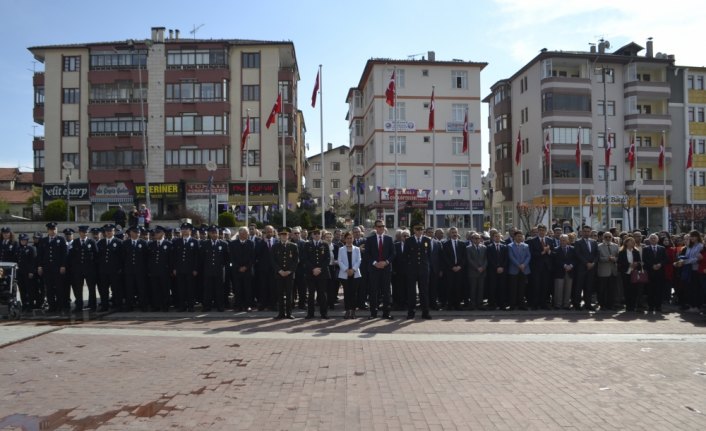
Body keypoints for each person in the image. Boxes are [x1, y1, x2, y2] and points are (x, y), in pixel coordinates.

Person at [364, 220, 395, 319]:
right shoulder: (370, 240)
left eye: (383, 226)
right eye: (379, 226)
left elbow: (393, 253)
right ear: (375, 228)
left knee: (386, 292)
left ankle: (386, 313)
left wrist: (386, 262)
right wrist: (375, 263)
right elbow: (367, 255)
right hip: (374, 269)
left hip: (386, 269)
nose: (381, 228)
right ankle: (373, 313)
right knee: (373, 291)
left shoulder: (389, 239)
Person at [37, 222, 68, 313]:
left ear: (57, 230)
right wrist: (40, 266)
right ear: (48, 231)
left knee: (59, 288)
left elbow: (64, 254)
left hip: (58, 268)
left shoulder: (61, 240)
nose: (53, 231)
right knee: (49, 288)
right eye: (51, 229)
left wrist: (63, 265)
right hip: (47, 269)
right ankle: (52, 306)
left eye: (54, 229)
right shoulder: (43, 240)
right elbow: (40, 255)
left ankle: (60, 306)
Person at [403, 224, 432, 320]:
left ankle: (425, 312)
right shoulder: (409, 240)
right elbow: (405, 256)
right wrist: (408, 268)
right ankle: (411, 312)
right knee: (411, 292)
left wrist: (427, 267)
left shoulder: (427, 240)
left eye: (421, 229)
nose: (419, 231)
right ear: (414, 230)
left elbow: (429, 255)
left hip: (423, 270)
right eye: (417, 229)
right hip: (412, 270)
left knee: (424, 292)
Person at [172, 222, 200, 312]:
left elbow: (197, 257)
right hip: (180, 270)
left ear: (190, 231)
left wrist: (195, 269)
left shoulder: (195, 242)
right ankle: (182, 306)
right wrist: (175, 268)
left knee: (190, 289)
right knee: (181, 289)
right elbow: (174, 256)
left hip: (190, 270)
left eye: (186, 229)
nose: (184, 231)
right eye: (183, 229)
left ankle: (191, 306)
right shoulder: (177, 242)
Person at [69, 226, 98, 312]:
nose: (84, 233)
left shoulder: (91, 242)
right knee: (78, 288)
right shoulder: (75, 242)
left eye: (85, 232)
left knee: (91, 288)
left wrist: (93, 268)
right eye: (82, 232)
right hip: (78, 270)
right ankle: (79, 306)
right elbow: (72, 256)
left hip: (89, 269)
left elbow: (96, 255)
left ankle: (93, 306)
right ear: (79, 232)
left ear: (87, 233)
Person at [200, 225, 229, 312]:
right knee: (207, 290)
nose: (214, 234)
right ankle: (207, 306)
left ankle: (220, 306)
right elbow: (202, 258)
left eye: (215, 232)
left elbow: (226, 259)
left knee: (219, 290)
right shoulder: (205, 244)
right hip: (208, 271)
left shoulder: (224, 244)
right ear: (209, 234)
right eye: (212, 233)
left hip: (219, 271)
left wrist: (223, 268)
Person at [272, 227, 299, 319]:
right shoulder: (275, 246)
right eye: (282, 235)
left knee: (289, 294)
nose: (284, 236)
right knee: (279, 294)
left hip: (289, 274)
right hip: (279, 274)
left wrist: (289, 271)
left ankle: (289, 313)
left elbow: (296, 260)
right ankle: (281, 313)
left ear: (288, 236)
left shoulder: (293, 246)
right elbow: (273, 260)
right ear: (279, 236)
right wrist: (279, 270)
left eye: (285, 235)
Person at [304, 227, 331, 319]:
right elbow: (305, 258)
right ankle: (310, 313)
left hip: (322, 273)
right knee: (311, 294)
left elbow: (327, 259)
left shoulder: (325, 244)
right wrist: (313, 269)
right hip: (311, 273)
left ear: (320, 235)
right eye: (315, 233)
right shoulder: (307, 245)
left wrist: (319, 269)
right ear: (312, 235)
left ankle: (324, 313)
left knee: (322, 294)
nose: (316, 235)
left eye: (318, 233)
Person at [675, 230, 703, 312]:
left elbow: (697, 259)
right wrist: (681, 260)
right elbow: (686, 256)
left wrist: (685, 261)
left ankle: (697, 306)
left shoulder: (700, 246)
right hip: (689, 269)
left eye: (693, 236)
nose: (692, 238)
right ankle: (692, 305)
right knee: (690, 288)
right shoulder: (690, 246)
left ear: (697, 237)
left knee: (696, 289)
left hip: (696, 269)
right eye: (691, 236)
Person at [573, 225, 599, 311]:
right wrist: (586, 263)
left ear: (590, 232)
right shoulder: (578, 242)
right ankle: (577, 304)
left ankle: (588, 304)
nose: (586, 233)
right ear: (582, 232)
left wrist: (593, 263)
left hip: (591, 268)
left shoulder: (594, 242)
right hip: (581, 268)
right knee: (579, 287)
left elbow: (597, 254)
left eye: (588, 231)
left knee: (589, 287)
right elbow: (578, 254)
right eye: (585, 231)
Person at [229, 226, 255, 311]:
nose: (246, 235)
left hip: (247, 270)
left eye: (246, 233)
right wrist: (238, 267)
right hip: (237, 271)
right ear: (239, 234)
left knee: (248, 289)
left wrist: (246, 267)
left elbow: (252, 258)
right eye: (243, 233)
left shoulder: (251, 243)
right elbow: (231, 257)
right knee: (237, 288)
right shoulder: (233, 244)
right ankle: (238, 305)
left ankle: (248, 305)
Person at [122, 226, 148, 311]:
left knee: (141, 288)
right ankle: (129, 306)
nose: (137, 234)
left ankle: (143, 305)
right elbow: (123, 257)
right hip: (129, 270)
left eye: (138, 232)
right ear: (130, 233)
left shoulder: (143, 243)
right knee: (129, 288)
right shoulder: (125, 243)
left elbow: (146, 258)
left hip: (140, 270)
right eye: (135, 232)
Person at [147, 226, 173, 312]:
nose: (156, 234)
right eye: (155, 232)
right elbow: (149, 259)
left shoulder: (168, 244)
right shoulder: (151, 244)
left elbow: (171, 259)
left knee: (165, 289)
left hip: (164, 271)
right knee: (155, 289)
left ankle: (165, 306)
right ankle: (156, 305)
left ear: (162, 233)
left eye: (158, 232)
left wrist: (170, 270)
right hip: (154, 271)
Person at [442, 227, 467, 311]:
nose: (454, 234)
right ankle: (449, 304)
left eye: (455, 232)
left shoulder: (462, 244)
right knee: (450, 287)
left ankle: (458, 304)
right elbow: (445, 258)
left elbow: (464, 257)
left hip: (460, 269)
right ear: (450, 234)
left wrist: (460, 266)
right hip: (450, 269)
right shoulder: (445, 244)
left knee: (458, 287)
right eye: (452, 232)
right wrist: (452, 266)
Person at [338, 231, 362, 319]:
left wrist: (353, 269)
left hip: (355, 273)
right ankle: (347, 310)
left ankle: (353, 311)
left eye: (351, 238)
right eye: (347, 238)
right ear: (345, 239)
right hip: (345, 274)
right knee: (347, 293)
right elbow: (339, 261)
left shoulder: (357, 249)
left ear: (353, 239)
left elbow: (359, 260)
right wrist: (346, 270)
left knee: (354, 293)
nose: (349, 240)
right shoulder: (341, 249)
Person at [642, 233, 666, 313]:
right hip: (650, 272)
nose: (653, 239)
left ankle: (658, 306)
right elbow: (644, 260)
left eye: (654, 238)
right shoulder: (645, 249)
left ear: (658, 240)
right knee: (650, 291)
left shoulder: (662, 248)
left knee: (659, 290)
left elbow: (666, 259)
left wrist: (660, 264)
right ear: (649, 240)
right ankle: (651, 306)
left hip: (660, 273)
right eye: (651, 238)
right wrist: (652, 266)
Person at [617, 237, 643, 312]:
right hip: (626, 272)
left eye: (633, 241)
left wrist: (636, 264)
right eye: (630, 241)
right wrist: (629, 264)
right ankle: (628, 306)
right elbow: (620, 262)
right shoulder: (622, 252)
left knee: (634, 290)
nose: (632, 243)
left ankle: (633, 305)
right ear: (626, 243)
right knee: (627, 290)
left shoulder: (636, 251)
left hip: (634, 273)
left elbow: (639, 262)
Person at [507, 230, 530, 310]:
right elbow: (511, 257)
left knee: (522, 288)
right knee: (513, 288)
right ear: (514, 237)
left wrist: (524, 264)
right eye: (518, 236)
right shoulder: (510, 246)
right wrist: (518, 265)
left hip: (524, 269)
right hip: (514, 270)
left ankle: (521, 305)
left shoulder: (526, 246)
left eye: (521, 236)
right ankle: (512, 305)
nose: (519, 237)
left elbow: (528, 256)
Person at [596, 232, 619, 310]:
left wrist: (615, 259)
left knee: (611, 290)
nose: (608, 238)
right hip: (603, 271)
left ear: (612, 237)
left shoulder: (616, 246)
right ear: (603, 238)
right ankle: (602, 305)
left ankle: (610, 305)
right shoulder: (599, 246)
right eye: (606, 237)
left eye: (609, 237)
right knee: (602, 290)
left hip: (613, 271)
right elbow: (598, 258)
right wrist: (607, 258)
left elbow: (619, 257)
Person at [552, 234, 575, 309]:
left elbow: (575, 259)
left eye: (564, 240)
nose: (562, 242)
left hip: (570, 272)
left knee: (568, 289)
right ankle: (558, 305)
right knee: (559, 289)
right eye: (561, 240)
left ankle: (566, 304)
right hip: (559, 272)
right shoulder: (556, 249)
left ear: (568, 240)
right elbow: (556, 260)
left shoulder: (573, 249)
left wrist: (571, 265)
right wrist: (564, 265)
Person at [466, 232, 487, 310]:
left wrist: (483, 267)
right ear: (472, 239)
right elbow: (469, 259)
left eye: (478, 238)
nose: (477, 239)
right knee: (473, 289)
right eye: (475, 238)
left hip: (482, 272)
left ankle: (480, 304)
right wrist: (477, 267)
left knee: (481, 289)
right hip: (473, 272)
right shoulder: (468, 248)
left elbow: (486, 259)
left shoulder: (484, 247)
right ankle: (472, 304)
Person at [16, 233, 37, 311]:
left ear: (27, 241)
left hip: (28, 272)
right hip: (20, 272)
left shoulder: (31, 248)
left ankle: (30, 305)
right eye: (22, 240)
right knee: (22, 289)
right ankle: (24, 304)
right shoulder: (18, 249)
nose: (23, 241)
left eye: (25, 240)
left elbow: (33, 261)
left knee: (29, 289)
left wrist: (31, 271)